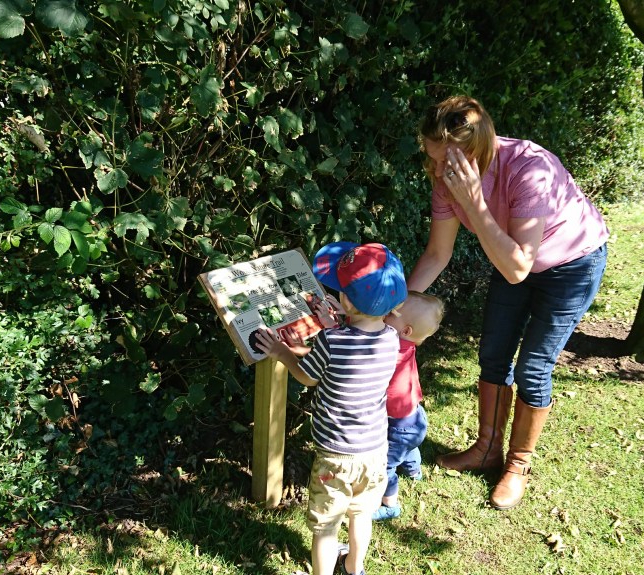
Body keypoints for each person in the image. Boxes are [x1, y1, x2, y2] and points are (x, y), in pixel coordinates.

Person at [407, 95, 609, 510]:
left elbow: (518, 267)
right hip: (512, 257)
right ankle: (486, 449)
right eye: (432, 158)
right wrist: (394, 307)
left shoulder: (529, 170)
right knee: (494, 353)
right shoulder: (446, 178)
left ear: (474, 152)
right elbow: (437, 255)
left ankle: (517, 466)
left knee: (533, 366)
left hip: (571, 263)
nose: (437, 170)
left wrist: (473, 203)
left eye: (446, 161)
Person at [254, 242, 407, 575]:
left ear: (346, 301)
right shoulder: (392, 338)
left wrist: (282, 352)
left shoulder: (331, 341)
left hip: (336, 455)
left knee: (326, 526)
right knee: (360, 515)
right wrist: (337, 324)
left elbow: (308, 377)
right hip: (374, 451)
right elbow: (355, 343)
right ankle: (354, 567)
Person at [371, 291, 445, 521]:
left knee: (383, 466)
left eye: (391, 313)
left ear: (406, 330)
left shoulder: (391, 349)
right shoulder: (405, 345)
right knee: (409, 448)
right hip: (415, 420)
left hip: (398, 428)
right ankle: (414, 470)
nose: (384, 315)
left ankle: (389, 505)